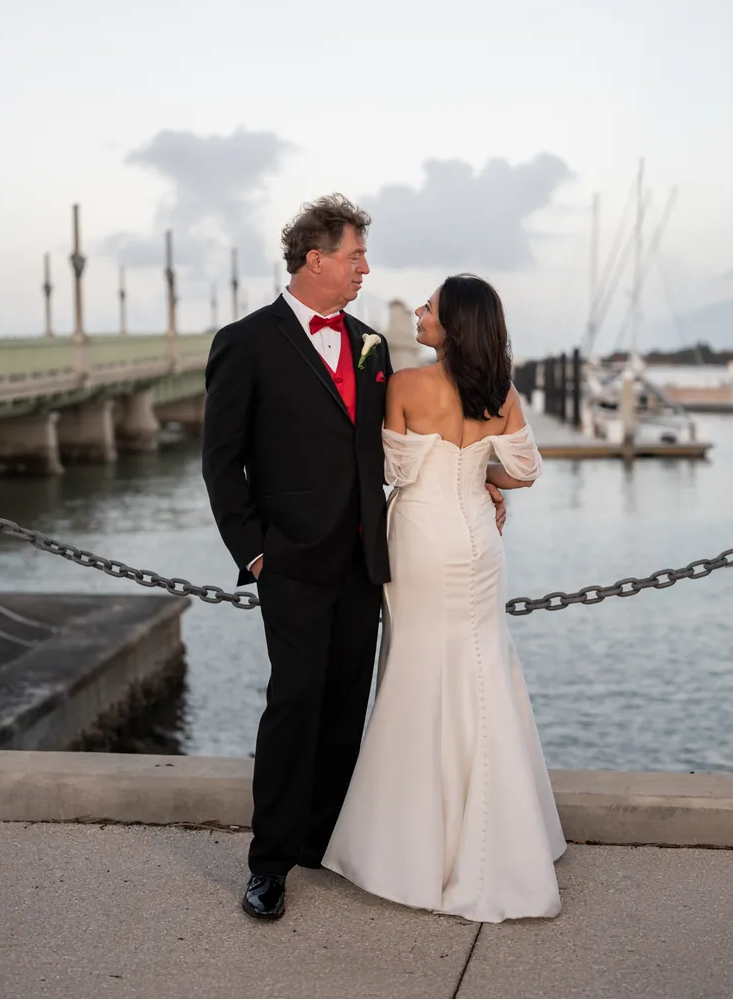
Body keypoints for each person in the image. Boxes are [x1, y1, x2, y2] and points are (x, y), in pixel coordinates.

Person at [202, 196, 508, 921]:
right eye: (355, 256)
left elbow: (401, 444)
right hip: (290, 561)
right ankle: (269, 864)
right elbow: (221, 463)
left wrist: (486, 478)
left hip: (369, 558)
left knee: (345, 705)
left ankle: (322, 842)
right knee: (294, 702)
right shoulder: (245, 343)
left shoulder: (373, 344)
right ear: (316, 260)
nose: (365, 268)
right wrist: (253, 553)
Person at [323, 274, 566, 923]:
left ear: (453, 324)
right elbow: (524, 470)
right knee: (484, 668)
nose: (422, 312)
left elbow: (391, 473)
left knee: (419, 671)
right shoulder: (501, 392)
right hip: (479, 542)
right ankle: (505, 839)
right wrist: (482, 473)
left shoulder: (404, 386)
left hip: (422, 540)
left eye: (431, 306)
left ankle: (416, 849)